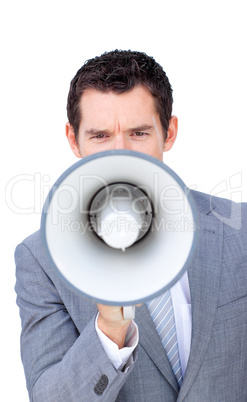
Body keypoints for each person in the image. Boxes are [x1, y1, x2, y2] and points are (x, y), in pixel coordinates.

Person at [15, 50, 247, 401]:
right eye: (100, 136)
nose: (120, 154)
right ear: (73, 139)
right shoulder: (41, 260)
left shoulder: (240, 231)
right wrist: (109, 329)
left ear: (168, 132)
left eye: (139, 133)